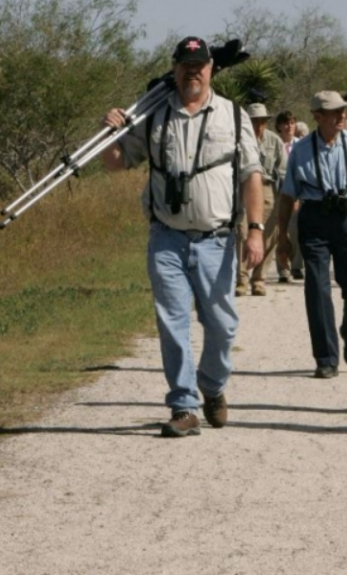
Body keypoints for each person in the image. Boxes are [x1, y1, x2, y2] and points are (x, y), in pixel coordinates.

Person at [101, 36, 265, 438]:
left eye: (200, 66)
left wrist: (255, 231)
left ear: (211, 69)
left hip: (217, 239)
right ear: (174, 69)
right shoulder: (155, 115)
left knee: (222, 325)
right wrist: (109, 132)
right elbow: (117, 164)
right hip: (167, 238)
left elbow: (251, 176)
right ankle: (184, 405)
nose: (193, 73)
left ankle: (213, 387)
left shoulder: (234, 115)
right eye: (185, 66)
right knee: (172, 322)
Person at [276, 90, 347, 379]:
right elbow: (287, 196)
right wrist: (283, 237)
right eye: (335, 112)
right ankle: (326, 357)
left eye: (343, 111)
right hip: (314, 219)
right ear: (318, 117)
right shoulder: (301, 150)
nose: (341, 116)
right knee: (317, 289)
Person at [236, 103, 287, 296]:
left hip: (268, 189)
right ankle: (241, 279)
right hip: (245, 188)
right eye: (254, 121)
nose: (259, 125)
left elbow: (283, 170)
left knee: (268, 235)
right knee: (242, 233)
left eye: (262, 121)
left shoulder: (274, 141)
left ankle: (259, 278)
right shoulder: (238, 140)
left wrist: (285, 197)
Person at [274, 110, 302, 283]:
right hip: (278, 193)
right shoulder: (275, 145)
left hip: (298, 194)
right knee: (280, 232)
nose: (289, 126)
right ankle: (283, 270)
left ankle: (297, 265)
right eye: (285, 123)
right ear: (279, 126)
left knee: (296, 231)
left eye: (292, 123)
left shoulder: (301, 145)